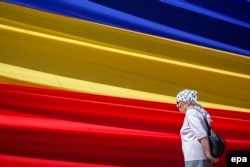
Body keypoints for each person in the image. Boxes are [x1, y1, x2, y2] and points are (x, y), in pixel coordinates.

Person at [176, 89, 219, 167]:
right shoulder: (197, 112)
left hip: (195, 156)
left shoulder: (191, 113)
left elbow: (202, 135)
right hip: (198, 156)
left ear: (185, 102)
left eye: (178, 102)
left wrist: (208, 154)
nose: (177, 105)